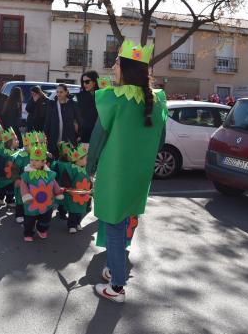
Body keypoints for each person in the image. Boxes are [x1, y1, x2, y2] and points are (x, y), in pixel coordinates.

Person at [86, 40, 167, 303]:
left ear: (128, 68)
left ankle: (117, 286)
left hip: (115, 174)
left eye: (118, 62)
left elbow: (98, 138)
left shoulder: (114, 99)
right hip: (138, 177)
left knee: (114, 227)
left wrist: (89, 167)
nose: (113, 66)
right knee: (120, 224)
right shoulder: (157, 100)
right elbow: (161, 140)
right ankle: (113, 269)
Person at [19, 142, 64, 242]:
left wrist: (58, 192)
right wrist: (26, 195)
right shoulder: (27, 174)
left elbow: (54, 183)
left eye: (37, 160)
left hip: (46, 203)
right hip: (31, 203)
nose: (33, 162)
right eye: (32, 160)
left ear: (43, 162)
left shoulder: (49, 174)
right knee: (29, 220)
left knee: (45, 218)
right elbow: (23, 186)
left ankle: (42, 229)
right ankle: (28, 232)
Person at [51, 142, 92, 233]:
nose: (87, 161)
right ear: (78, 160)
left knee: (80, 211)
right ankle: (71, 225)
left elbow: (88, 180)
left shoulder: (84, 169)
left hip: (83, 195)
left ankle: (77, 223)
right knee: (73, 211)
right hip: (73, 194)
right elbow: (66, 177)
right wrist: (67, 185)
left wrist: (91, 187)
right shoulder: (71, 168)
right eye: (85, 159)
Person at [44, 84, 80, 157]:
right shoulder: (52, 104)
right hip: (54, 137)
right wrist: (44, 134)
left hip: (68, 137)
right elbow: (47, 121)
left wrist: (80, 134)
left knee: (67, 160)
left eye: (61, 92)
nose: (58, 94)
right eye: (57, 92)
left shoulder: (73, 104)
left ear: (66, 92)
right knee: (54, 160)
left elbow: (79, 119)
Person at [0, 127, 18, 207]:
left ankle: (0, 197)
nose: (18, 141)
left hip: (11, 175)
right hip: (5, 175)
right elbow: (0, 164)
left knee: (4, 188)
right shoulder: (4, 153)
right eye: (16, 140)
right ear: (10, 142)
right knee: (9, 188)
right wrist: (2, 174)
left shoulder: (14, 151)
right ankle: (9, 201)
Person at [76, 71, 100, 143]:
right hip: (85, 134)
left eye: (87, 81)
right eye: (83, 82)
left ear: (94, 81)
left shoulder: (102, 95)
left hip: (99, 132)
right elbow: (79, 117)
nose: (84, 84)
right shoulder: (80, 96)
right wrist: (79, 135)